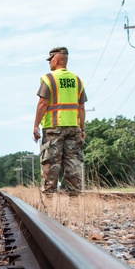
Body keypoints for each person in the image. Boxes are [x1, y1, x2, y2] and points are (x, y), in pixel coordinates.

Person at [33, 46, 86, 196]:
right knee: (73, 166)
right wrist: (82, 129)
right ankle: (75, 202)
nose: (49, 63)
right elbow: (81, 107)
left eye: (50, 60)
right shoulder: (77, 80)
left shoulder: (49, 79)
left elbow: (43, 103)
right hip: (73, 128)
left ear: (56, 59)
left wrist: (36, 125)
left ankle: (49, 202)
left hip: (53, 128)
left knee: (51, 166)